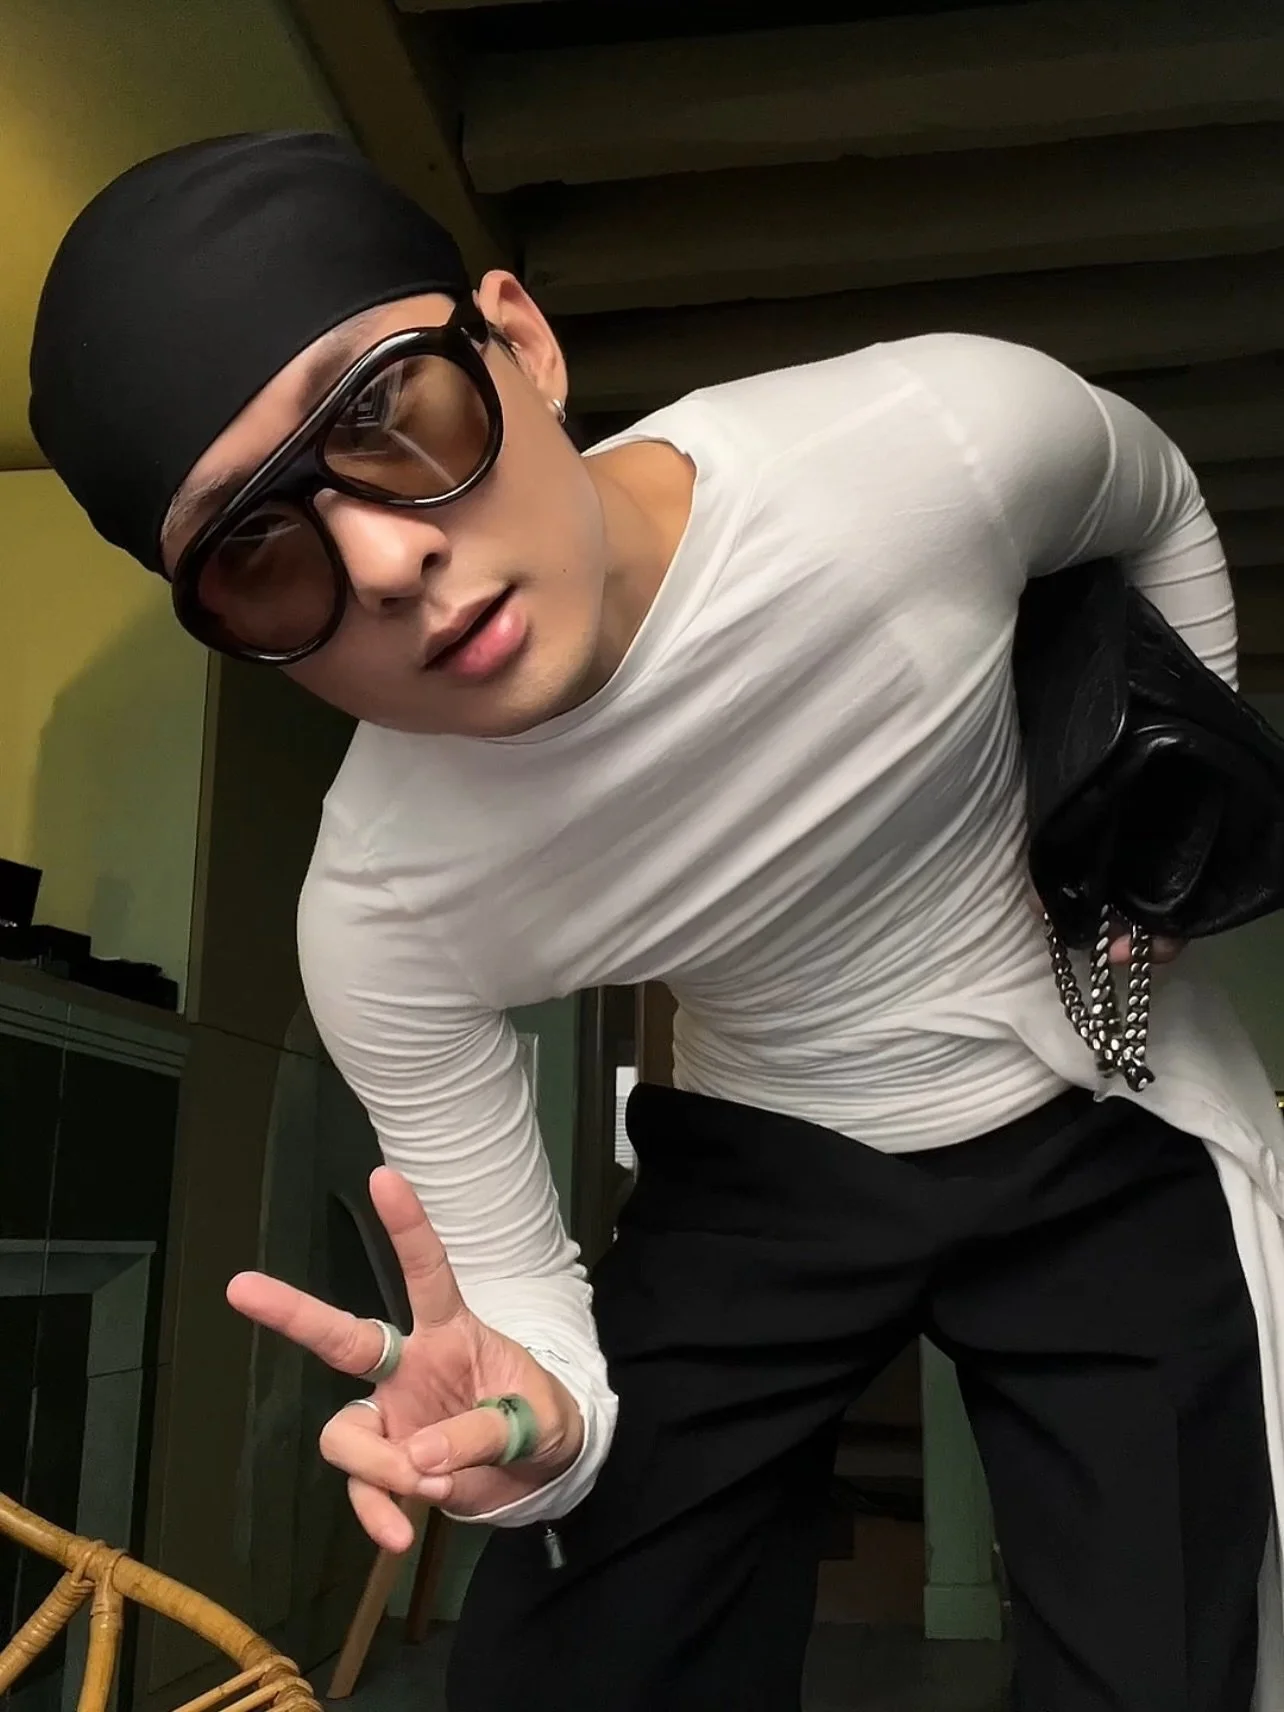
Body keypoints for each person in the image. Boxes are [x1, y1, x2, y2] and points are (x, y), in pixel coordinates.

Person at [27, 130, 1284, 1712]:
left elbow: (1155, 497)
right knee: (574, 1665)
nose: (389, 558)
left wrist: (1153, 878)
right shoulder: (385, 914)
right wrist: (532, 1431)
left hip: (1097, 1111)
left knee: (1169, 1657)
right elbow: (526, 1327)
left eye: (391, 410)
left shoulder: (927, 448)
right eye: (258, 555)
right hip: (771, 1151)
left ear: (524, 343)